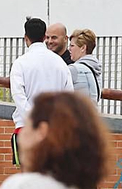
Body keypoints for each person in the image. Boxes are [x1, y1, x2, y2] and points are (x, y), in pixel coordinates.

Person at [8, 18, 73, 164]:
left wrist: (34, 121)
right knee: (54, 177)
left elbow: (18, 96)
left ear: (26, 38)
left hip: (26, 129)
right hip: (54, 129)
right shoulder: (60, 63)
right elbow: (69, 96)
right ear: (44, 37)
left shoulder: (20, 63)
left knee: (29, 178)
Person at [68, 29, 101, 104]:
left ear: (83, 48)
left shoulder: (73, 69)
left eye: (72, 46)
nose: (69, 49)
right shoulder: (96, 67)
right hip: (92, 112)